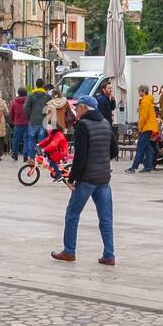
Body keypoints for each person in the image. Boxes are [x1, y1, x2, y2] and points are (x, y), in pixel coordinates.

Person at [51, 96, 117, 266]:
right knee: (106, 218)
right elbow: (114, 150)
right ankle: (109, 254)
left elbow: (80, 157)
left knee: (72, 214)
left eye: (77, 107)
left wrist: (72, 178)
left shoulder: (82, 126)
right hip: (103, 178)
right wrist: (102, 161)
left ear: (84, 108)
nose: (75, 111)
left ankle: (69, 251)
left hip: (87, 178)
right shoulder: (105, 123)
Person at [127, 85, 159, 173]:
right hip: (150, 127)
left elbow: (143, 116)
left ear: (143, 91)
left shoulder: (145, 101)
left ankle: (134, 167)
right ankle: (148, 166)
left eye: (139, 91)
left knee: (140, 148)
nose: (138, 93)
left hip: (145, 127)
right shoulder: (148, 100)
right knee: (147, 148)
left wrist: (140, 127)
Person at [23, 82, 48, 161]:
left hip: (33, 121)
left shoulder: (31, 96)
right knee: (41, 140)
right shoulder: (47, 97)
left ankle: (32, 158)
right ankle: (40, 158)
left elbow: (26, 108)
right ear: (43, 85)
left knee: (31, 139)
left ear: (36, 85)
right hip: (43, 121)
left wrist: (29, 117)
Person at [8, 86, 28, 161]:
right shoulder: (28, 101)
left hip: (17, 123)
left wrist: (12, 121)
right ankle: (25, 155)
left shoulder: (14, 102)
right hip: (26, 122)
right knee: (26, 139)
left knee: (16, 139)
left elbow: (11, 113)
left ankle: (15, 154)